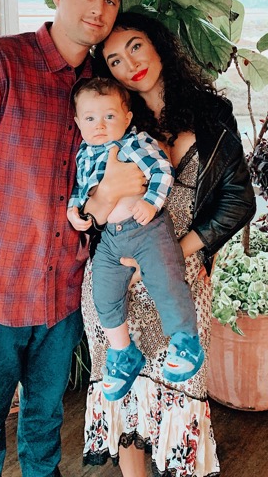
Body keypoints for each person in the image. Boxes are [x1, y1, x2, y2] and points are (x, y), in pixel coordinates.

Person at [0, 0, 147, 477]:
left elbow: (108, 188)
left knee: (46, 421)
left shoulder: (103, 91)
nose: (98, 9)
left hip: (64, 294)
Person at [81, 12, 257, 477]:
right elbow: (87, 207)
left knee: (181, 393)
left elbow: (239, 201)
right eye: (114, 60)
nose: (129, 65)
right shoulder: (109, 122)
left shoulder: (211, 114)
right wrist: (102, 200)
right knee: (126, 399)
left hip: (179, 279)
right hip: (116, 281)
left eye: (136, 46)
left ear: (158, 44)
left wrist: (174, 254)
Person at [68, 77, 205, 402]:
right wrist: (75, 209)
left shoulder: (134, 143)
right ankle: (123, 353)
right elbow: (82, 189)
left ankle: (185, 341)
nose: (100, 125)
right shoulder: (84, 153)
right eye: (90, 118)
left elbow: (162, 171)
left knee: (166, 280)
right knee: (104, 291)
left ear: (127, 117)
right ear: (78, 122)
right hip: (112, 238)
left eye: (109, 116)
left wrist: (150, 203)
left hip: (147, 229)